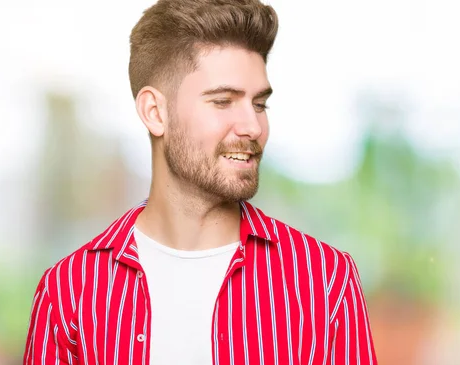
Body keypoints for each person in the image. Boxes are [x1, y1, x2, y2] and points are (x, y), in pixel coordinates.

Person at [23, 0, 378, 364]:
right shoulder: (69, 292)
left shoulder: (326, 280)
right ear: (155, 113)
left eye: (259, 104)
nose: (253, 127)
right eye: (223, 101)